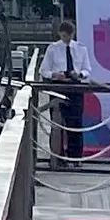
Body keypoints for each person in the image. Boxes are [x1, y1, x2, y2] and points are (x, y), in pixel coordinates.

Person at [45, 19, 91, 161]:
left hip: (75, 87)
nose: (67, 39)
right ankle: (58, 156)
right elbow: (44, 70)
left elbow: (87, 69)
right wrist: (54, 74)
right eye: (64, 36)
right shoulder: (52, 49)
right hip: (58, 87)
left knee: (75, 122)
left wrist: (80, 74)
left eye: (69, 36)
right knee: (57, 123)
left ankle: (75, 156)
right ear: (60, 34)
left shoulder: (81, 49)